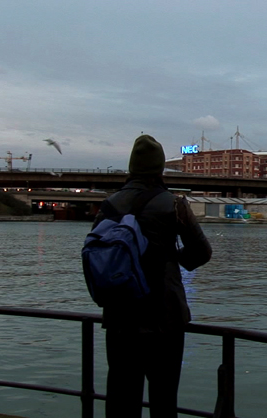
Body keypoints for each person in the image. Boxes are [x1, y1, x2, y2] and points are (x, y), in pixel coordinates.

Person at [91, 134, 212, 418]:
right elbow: (202, 252)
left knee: (121, 399)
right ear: (160, 169)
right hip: (164, 315)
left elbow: (96, 252)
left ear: (131, 167)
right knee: (164, 399)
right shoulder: (174, 204)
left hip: (120, 314)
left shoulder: (109, 206)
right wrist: (172, 260)